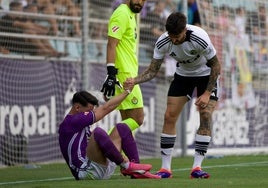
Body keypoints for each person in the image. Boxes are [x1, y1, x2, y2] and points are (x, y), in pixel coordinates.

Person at [128, 12, 221, 178]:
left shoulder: (200, 37)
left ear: (184, 30)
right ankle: (165, 169)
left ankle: (197, 168)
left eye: (177, 36)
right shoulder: (163, 41)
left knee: (205, 114)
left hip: (207, 75)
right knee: (169, 116)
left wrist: (207, 93)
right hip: (183, 76)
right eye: (171, 36)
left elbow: (216, 66)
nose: (174, 40)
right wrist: (134, 81)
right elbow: (152, 71)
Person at [58, 81, 160, 180]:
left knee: (122, 128)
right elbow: (106, 108)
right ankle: (127, 165)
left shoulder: (78, 123)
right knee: (98, 132)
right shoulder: (72, 121)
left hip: (98, 167)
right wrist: (127, 92)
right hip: (87, 172)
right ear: (77, 107)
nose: (91, 113)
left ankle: (137, 172)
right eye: (89, 111)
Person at [100, 0, 146, 134]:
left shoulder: (131, 14)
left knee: (127, 120)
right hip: (124, 76)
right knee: (138, 118)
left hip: (129, 73)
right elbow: (111, 44)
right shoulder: (121, 14)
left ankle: (120, 154)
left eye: (144, 0)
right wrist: (111, 73)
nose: (140, 3)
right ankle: (99, 142)